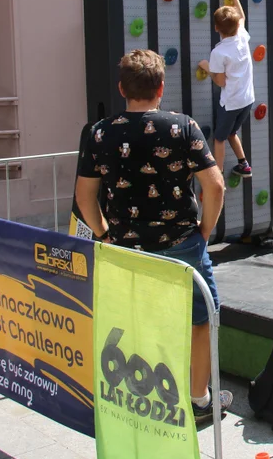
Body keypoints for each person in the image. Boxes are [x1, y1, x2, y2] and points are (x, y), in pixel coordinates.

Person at [73, 49, 230, 422]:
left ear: (121, 88)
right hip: (181, 245)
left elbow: (84, 196)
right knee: (200, 319)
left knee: (132, 321)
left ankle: (139, 397)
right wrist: (205, 230)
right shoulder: (182, 127)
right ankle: (199, 400)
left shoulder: (99, 132)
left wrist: (103, 234)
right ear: (161, 87)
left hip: (125, 249)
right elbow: (216, 186)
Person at [198, 0, 254, 178]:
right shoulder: (242, 37)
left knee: (219, 137)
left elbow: (220, 82)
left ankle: (218, 175)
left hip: (230, 102)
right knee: (231, 132)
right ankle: (244, 164)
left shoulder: (219, 52)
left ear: (215, 28)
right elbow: (242, 16)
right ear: (237, 25)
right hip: (247, 99)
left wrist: (207, 67)